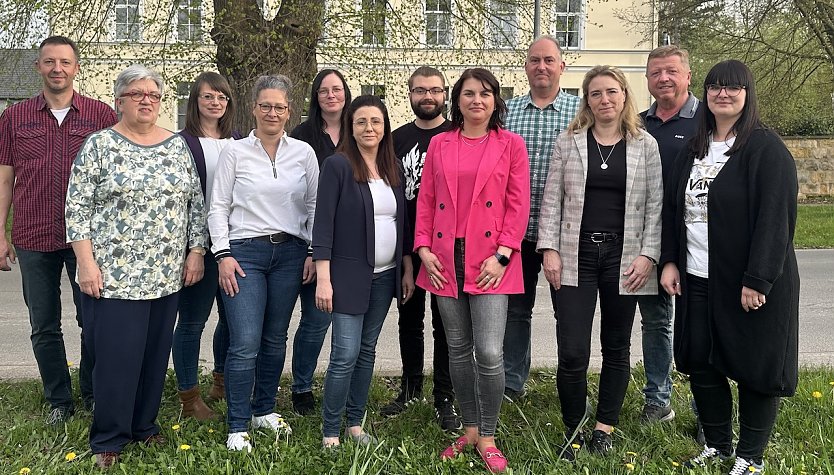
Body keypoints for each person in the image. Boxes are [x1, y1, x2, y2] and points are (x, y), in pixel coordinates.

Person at [661, 60, 799, 475]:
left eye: (733, 87)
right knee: (701, 360)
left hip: (747, 280)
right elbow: (673, 211)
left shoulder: (765, 149)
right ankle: (718, 445)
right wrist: (671, 261)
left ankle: (750, 457)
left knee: (756, 366)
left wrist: (757, 279)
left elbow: (776, 220)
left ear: (747, 93)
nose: (723, 93)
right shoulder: (694, 148)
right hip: (698, 276)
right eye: (715, 86)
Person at [65, 64, 207, 469]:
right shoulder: (99, 146)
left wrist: (195, 251)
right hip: (113, 278)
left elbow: (195, 202)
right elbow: (77, 209)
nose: (147, 100)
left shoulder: (177, 145)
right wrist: (86, 264)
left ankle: (144, 426)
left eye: (154, 95)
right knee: (116, 359)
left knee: (152, 356)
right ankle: (109, 438)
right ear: (120, 101)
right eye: (137, 94)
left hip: (165, 275)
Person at [537, 65, 662, 458]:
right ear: (586, 100)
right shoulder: (568, 142)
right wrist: (549, 249)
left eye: (611, 91)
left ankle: (604, 427)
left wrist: (649, 255)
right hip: (576, 254)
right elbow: (551, 199)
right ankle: (573, 428)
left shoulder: (645, 144)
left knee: (616, 346)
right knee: (572, 349)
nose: (604, 99)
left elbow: (656, 206)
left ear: (624, 95)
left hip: (625, 258)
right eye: (595, 93)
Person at [414, 68, 530, 473]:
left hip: (491, 260)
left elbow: (519, 205)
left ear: (496, 100)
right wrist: (423, 247)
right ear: (456, 100)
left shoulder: (511, 144)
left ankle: (490, 434)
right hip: (445, 257)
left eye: (484, 94)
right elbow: (426, 200)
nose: (476, 100)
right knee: (458, 351)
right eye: (468, 94)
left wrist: (502, 256)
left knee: (490, 351)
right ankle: (468, 428)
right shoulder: (441, 144)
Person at [0, 35, 116, 425]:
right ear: (38, 67)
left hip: (87, 240)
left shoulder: (100, 117)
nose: (57, 69)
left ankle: (95, 394)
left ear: (76, 67)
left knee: (94, 321)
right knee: (43, 324)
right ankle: (59, 401)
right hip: (32, 235)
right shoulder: (14, 118)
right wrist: (0, 233)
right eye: (49, 62)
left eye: (65, 62)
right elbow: (4, 180)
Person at [208, 74, 319, 452]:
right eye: (265, 105)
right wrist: (222, 255)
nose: (273, 112)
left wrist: (311, 251)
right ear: (254, 108)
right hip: (245, 255)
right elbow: (218, 207)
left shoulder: (303, 153)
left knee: (275, 338)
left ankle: (264, 410)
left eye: (280, 107)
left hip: (290, 254)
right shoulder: (234, 152)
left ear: (290, 111)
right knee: (245, 341)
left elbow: (316, 206)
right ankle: (237, 424)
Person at [314, 95, 415, 448]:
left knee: (367, 349)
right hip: (347, 277)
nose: (369, 128)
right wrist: (323, 279)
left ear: (385, 125)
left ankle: (355, 424)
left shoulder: (392, 167)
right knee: (345, 353)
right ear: (351, 127)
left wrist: (405, 265)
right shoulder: (338, 166)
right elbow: (323, 225)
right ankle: (330, 431)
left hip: (385, 275)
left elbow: (400, 222)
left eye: (375, 121)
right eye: (361, 122)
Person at [380, 66, 460, 431]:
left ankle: (446, 397)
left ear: (445, 95)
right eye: (419, 90)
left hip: (446, 247)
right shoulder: (394, 140)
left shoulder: (456, 137)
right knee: (409, 321)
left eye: (434, 90)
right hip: (406, 247)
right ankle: (410, 388)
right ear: (409, 94)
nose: (427, 97)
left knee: (447, 327)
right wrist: (406, 257)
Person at [503, 35, 580, 402]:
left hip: (564, 235)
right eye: (535, 60)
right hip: (515, 234)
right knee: (516, 312)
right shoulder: (508, 112)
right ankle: (512, 382)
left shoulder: (581, 112)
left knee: (567, 312)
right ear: (526, 66)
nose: (542, 67)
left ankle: (570, 380)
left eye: (549, 60)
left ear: (561, 66)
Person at [636, 45, 702, 427]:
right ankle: (658, 400)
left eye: (671, 71)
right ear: (648, 80)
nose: (664, 78)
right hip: (647, 237)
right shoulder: (639, 124)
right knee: (656, 321)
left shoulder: (705, 122)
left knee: (696, 322)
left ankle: (703, 401)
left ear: (687, 76)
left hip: (693, 238)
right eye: (656, 72)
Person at [172, 72, 242, 420]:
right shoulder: (181, 143)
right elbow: (182, 201)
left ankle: (221, 383)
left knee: (231, 321)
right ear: (195, 101)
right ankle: (189, 399)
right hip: (198, 247)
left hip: (234, 244)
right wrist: (193, 250)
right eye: (208, 97)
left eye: (222, 97)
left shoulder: (240, 141)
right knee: (192, 322)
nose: (215, 103)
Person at [289, 68, 352, 415]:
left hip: (343, 245)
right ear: (315, 97)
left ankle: (313, 386)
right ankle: (298, 385)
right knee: (293, 322)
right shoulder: (302, 135)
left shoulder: (358, 130)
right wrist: (311, 248)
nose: (331, 95)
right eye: (324, 90)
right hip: (302, 240)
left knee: (318, 320)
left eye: (337, 89)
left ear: (346, 93)